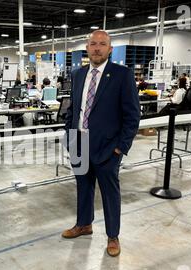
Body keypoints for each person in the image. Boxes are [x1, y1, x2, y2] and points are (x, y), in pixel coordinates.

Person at [62, 30, 140, 257]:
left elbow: (132, 116)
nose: (97, 48)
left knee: (109, 193)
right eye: (93, 44)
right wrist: (69, 137)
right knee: (83, 188)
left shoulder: (122, 75)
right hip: (79, 142)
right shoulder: (77, 74)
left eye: (102, 44)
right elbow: (73, 110)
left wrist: (120, 147)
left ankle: (112, 236)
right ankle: (83, 224)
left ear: (110, 49)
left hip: (108, 147)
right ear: (87, 48)